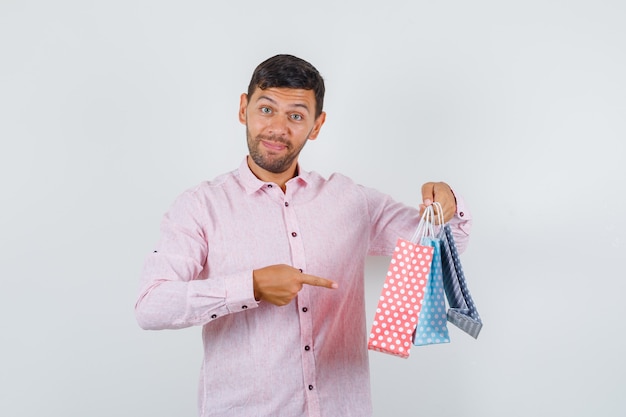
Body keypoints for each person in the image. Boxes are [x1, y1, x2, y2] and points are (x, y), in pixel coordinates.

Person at [135, 54, 472, 417]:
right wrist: (252, 286)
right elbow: (151, 306)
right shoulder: (200, 206)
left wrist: (446, 202)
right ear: (243, 108)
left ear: (316, 125)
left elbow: (447, 244)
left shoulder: (351, 201)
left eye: (295, 115)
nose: (278, 128)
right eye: (266, 109)